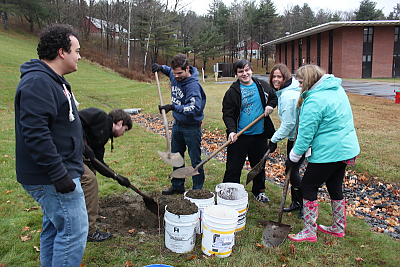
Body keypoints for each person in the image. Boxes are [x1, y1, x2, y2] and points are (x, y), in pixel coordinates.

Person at [14, 24, 88, 266]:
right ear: (61, 52)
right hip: (53, 177)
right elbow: (35, 133)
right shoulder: (38, 82)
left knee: (56, 230)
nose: (79, 56)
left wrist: (79, 146)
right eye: (76, 50)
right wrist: (59, 173)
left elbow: (57, 124)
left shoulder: (54, 81)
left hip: (59, 173)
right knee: (73, 232)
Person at [287, 64, 360, 243]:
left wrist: (294, 157)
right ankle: (338, 227)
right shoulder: (336, 89)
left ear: (310, 81)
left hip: (329, 152)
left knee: (308, 186)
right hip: (345, 149)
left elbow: (305, 135)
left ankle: (309, 230)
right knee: (334, 185)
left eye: (301, 82)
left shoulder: (314, 101)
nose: (298, 86)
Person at [222, 59, 277, 203]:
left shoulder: (263, 86)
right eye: (241, 71)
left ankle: (259, 191)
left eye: (247, 70)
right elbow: (228, 113)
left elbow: (273, 97)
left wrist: (270, 106)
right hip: (239, 136)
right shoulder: (232, 92)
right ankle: (229, 192)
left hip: (259, 135)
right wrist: (232, 131)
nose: (244, 74)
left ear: (251, 70)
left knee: (259, 166)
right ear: (236, 74)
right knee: (233, 167)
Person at [152, 54, 206, 195]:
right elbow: (168, 71)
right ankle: (177, 186)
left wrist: (174, 107)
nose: (176, 76)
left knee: (195, 160)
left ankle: (197, 190)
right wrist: (160, 68)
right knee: (176, 156)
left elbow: (194, 108)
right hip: (178, 125)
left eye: (179, 73)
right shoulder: (174, 74)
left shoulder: (193, 85)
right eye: (174, 73)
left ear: (187, 68)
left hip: (192, 127)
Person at [79, 107, 132, 242]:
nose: (123, 134)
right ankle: (89, 231)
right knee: (90, 181)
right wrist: (83, 144)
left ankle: (85, 212)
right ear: (119, 123)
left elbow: (98, 163)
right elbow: (75, 120)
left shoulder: (104, 136)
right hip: (69, 149)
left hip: (81, 153)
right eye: (124, 130)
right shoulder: (100, 116)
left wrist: (117, 177)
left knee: (92, 172)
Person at [267, 64, 305, 217]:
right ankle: (296, 202)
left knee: (292, 169)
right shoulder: (286, 91)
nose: (276, 80)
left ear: (286, 77)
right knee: (290, 169)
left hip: (299, 138)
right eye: (274, 76)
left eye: (279, 77)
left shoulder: (289, 96)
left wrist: (273, 140)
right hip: (294, 137)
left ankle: (304, 205)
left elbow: (288, 124)